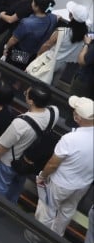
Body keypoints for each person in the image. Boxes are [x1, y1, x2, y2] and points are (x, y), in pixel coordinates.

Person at [35, 96, 94, 234]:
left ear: (77, 117)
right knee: (67, 211)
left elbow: (52, 164)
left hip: (60, 183)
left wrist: (42, 176)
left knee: (47, 210)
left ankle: (38, 237)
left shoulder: (70, 139)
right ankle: (57, 237)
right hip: (83, 184)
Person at [0, 86, 57, 204]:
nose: (24, 94)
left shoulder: (20, 123)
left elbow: (5, 145)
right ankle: (11, 206)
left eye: (26, 93)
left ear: (31, 101)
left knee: (1, 186)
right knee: (17, 186)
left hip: (9, 161)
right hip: (28, 161)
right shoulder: (53, 112)